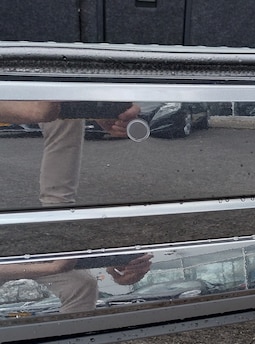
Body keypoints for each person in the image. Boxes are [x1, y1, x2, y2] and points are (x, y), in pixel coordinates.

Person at [0, 101, 151, 313]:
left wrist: (114, 257)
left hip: (40, 236)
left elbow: (58, 236)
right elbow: (40, 109)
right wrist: (49, 267)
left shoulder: (56, 107)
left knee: (81, 286)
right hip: (27, 250)